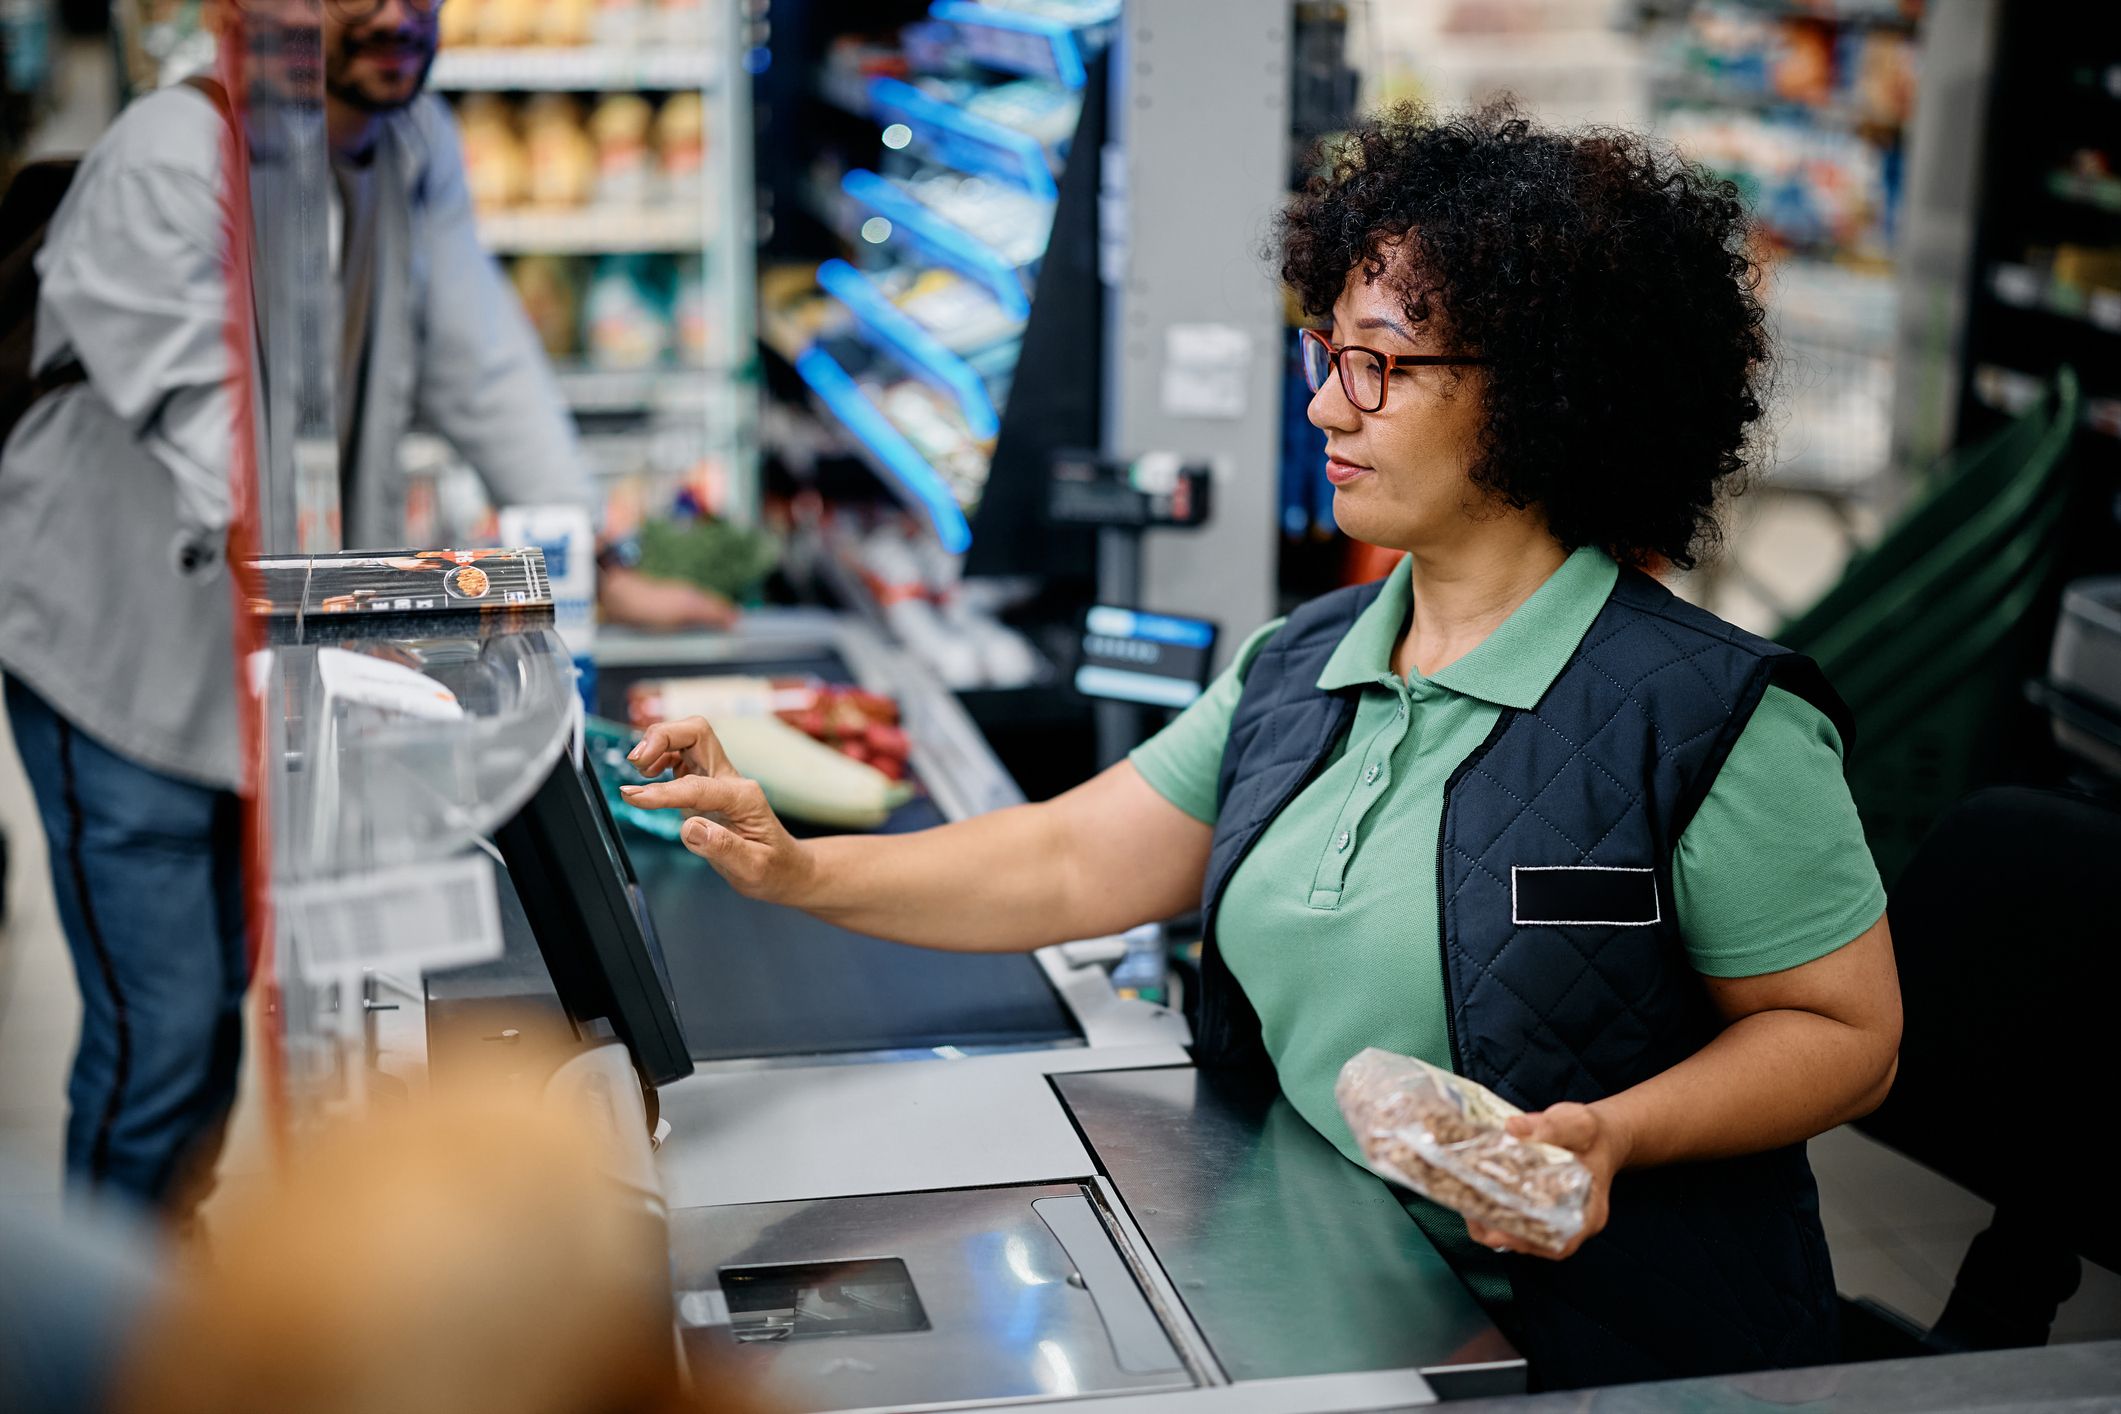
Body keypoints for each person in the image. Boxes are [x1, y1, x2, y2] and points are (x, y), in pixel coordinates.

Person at [621, 104, 1903, 1390]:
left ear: (1543, 389)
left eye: (1380, 364)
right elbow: (1071, 859)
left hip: (1598, 1354)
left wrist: (1615, 1134)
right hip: (1321, 1301)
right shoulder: (1305, 661)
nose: (1327, 406)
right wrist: (802, 868)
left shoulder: (1709, 714)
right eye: (1326, 352)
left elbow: (1848, 1033)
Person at [0, 0, 731, 1213]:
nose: (398, 14)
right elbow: (224, 450)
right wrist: (389, 610)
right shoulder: (167, 163)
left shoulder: (406, 141)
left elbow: (482, 362)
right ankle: (110, 1313)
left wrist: (588, 559)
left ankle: (178, 1281)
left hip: (273, 650)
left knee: (231, 993)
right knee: (164, 1036)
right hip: (117, 658)